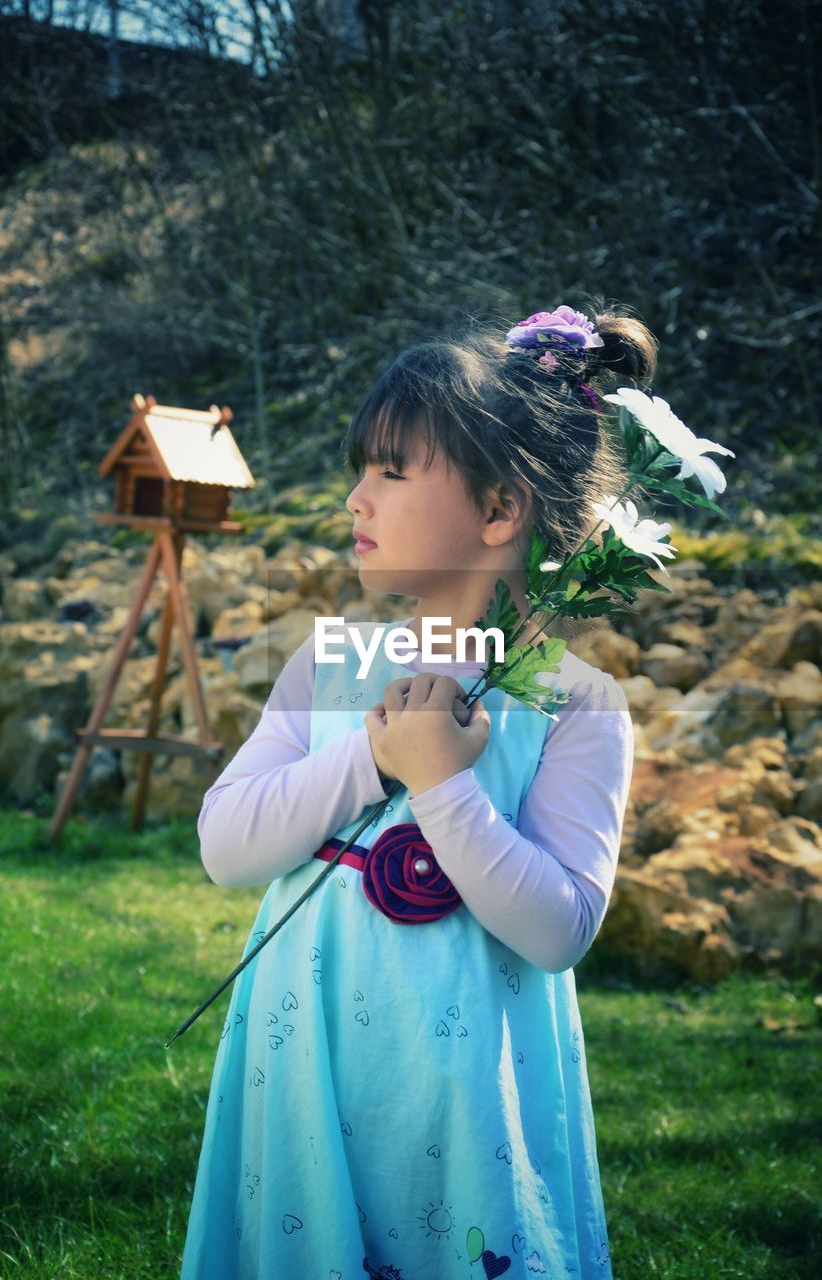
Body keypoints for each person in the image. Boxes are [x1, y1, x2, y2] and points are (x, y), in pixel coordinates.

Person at [180, 302, 653, 1280]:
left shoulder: (578, 706)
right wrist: (372, 754)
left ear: (496, 508)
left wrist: (443, 783)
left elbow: (557, 928)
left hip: (461, 1096)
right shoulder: (330, 665)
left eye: (390, 471)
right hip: (304, 1067)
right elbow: (227, 844)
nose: (355, 497)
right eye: (362, 469)